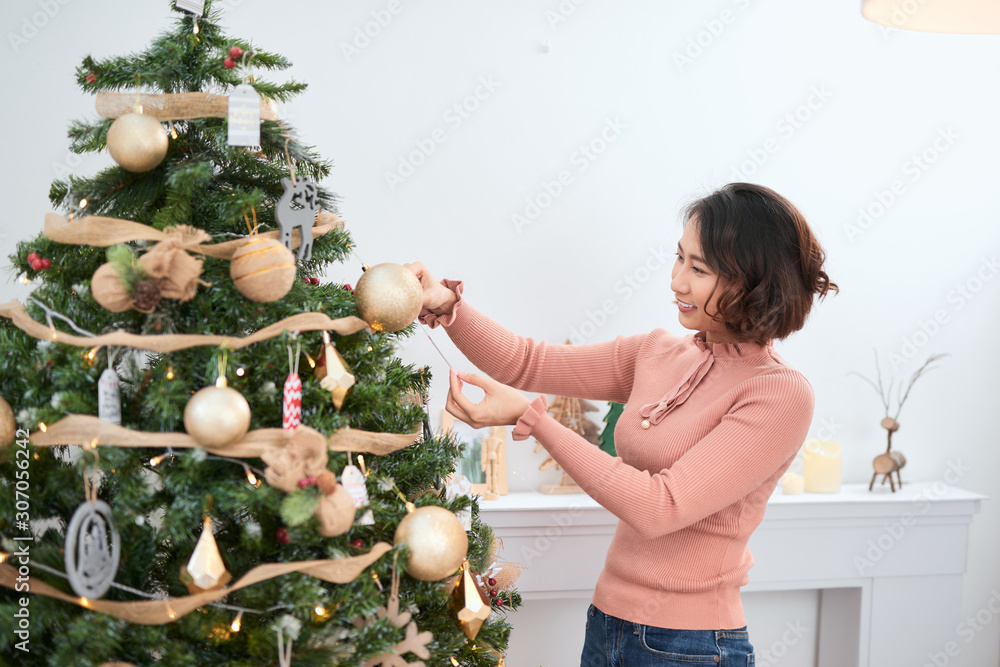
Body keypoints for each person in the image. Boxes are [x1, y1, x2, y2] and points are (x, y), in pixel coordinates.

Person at [406, 182, 836, 666]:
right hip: (608, 625)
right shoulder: (655, 352)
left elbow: (660, 507)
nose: (677, 280)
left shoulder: (778, 393)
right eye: (679, 258)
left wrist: (536, 422)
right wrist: (448, 307)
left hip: (690, 647)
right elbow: (525, 362)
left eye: (699, 269)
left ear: (753, 280)